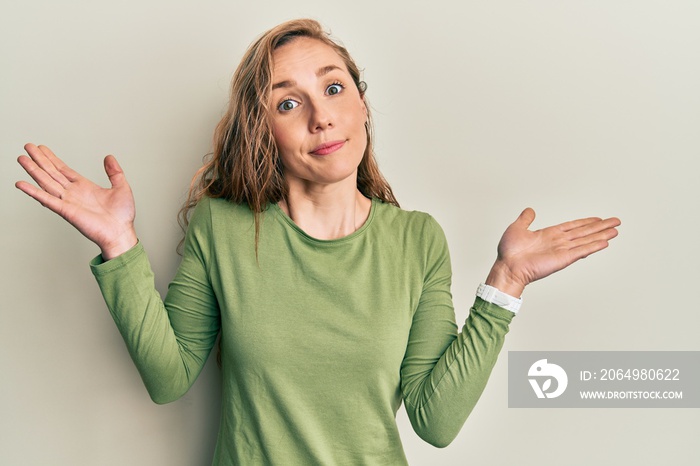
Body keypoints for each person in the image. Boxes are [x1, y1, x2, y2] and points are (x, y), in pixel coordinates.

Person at [15, 18, 620, 466]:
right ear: (266, 131)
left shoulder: (416, 240)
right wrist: (120, 244)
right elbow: (169, 378)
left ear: (361, 104)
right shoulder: (224, 228)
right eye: (288, 102)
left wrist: (506, 284)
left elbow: (435, 422)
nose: (321, 117)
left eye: (333, 89)